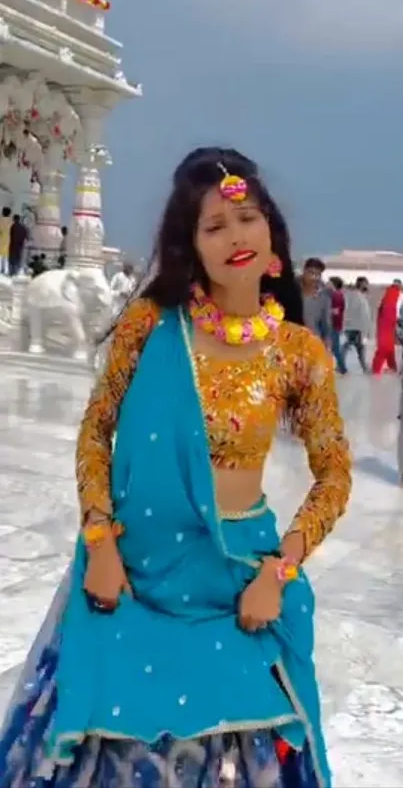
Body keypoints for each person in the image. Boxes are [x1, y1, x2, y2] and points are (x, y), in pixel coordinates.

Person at [0, 148, 351, 788]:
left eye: (246, 217)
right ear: (191, 245)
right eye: (213, 226)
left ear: (269, 228)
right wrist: (100, 541)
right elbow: (95, 433)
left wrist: (282, 570)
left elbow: (334, 478)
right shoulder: (153, 327)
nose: (235, 237)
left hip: (238, 583)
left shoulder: (300, 354)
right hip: (131, 578)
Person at [341, 277, 371, 373]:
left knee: (353, 347)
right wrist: (364, 330)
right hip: (356, 327)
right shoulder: (356, 296)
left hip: (354, 326)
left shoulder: (357, 295)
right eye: (365, 284)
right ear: (361, 284)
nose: (367, 285)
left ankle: (342, 366)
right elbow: (362, 314)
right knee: (360, 347)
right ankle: (364, 368)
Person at [372, 281, 402, 375]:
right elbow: (392, 310)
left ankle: (386, 368)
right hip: (388, 323)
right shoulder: (394, 293)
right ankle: (384, 368)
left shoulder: (390, 294)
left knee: (386, 347)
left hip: (385, 323)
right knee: (387, 347)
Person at [300, 258, 331, 345]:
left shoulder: (324, 297)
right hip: (290, 340)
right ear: (304, 272)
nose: (314, 277)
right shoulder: (292, 291)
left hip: (312, 342)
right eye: (311, 273)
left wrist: (327, 340)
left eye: (318, 274)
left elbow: (326, 323)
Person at [328, 277, 347, 374]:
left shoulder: (336, 295)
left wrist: (325, 311)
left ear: (334, 284)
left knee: (335, 348)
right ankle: (342, 368)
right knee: (334, 348)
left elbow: (336, 311)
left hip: (333, 325)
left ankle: (343, 368)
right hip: (335, 325)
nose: (327, 284)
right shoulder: (337, 295)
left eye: (329, 282)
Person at [0, 206, 12, 276]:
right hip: (8, 240)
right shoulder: (11, 221)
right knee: (7, 257)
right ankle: (6, 270)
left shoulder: (0, 220)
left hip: (1, 239)